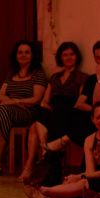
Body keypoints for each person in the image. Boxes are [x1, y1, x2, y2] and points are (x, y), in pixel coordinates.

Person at [22, 103, 100, 198]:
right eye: (98, 117)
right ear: (93, 120)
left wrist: (78, 176)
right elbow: (90, 172)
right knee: (76, 184)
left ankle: (43, 190)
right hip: (96, 178)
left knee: (83, 183)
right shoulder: (89, 140)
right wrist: (77, 177)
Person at [21, 41, 89, 183]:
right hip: (54, 111)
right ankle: (46, 151)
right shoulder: (55, 77)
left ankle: (33, 165)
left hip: (71, 112)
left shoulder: (83, 77)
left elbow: (79, 102)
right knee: (38, 113)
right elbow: (45, 101)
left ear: (77, 56)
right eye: (65, 55)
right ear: (60, 57)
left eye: (71, 54)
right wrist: (49, 109)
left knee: (37, 125)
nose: (68, 57)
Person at [0, 40, 47, 175]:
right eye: (20, 52)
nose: (23, 55)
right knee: (3, 115)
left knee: (2, 111)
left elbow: (36, 99)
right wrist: (12, 103)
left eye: (27, 52)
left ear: (32, 55)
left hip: (28, 112)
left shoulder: (38, 74)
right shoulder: (12, 74)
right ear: (16, 55)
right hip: (9, 111)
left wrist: (15, 101)